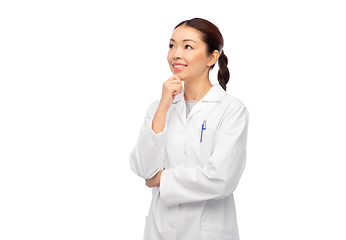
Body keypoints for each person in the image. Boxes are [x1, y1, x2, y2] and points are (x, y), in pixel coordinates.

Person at [130, 18, 249, 240]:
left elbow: (222, 179)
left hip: (207, 232)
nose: (176, 54)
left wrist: (162, 179)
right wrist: (164, 107)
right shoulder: (158, 108)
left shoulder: (231, 109)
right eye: (172, 45)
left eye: (187, 46)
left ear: (212, 57)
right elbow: (143, 168)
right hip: (159, 229)